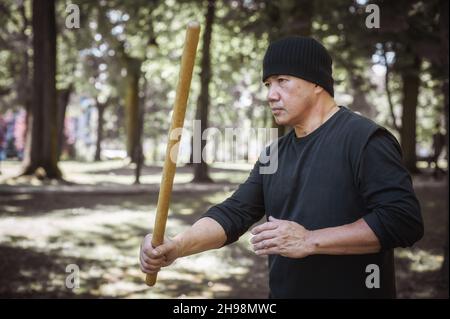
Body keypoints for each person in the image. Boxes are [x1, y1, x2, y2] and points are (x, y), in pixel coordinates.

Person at [140, 36, 424, 298]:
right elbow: (234, 213)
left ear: (316, 83)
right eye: (267, 85)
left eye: (282, 81)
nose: (270, 95)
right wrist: (176, 246)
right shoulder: (274, 153)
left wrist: (310, 240)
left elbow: (402, 221)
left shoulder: (364, 139)